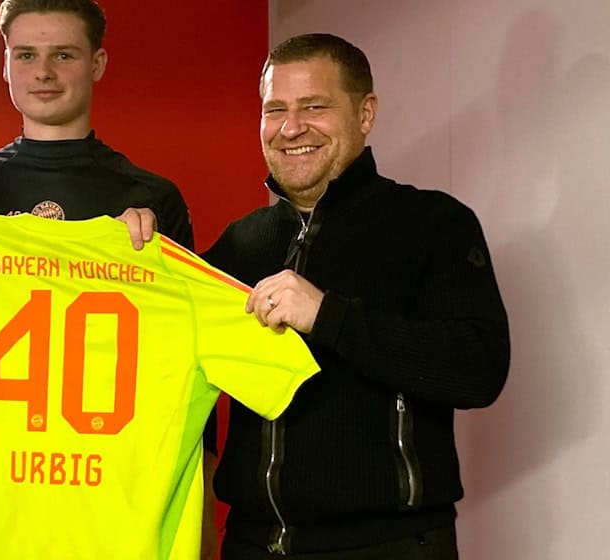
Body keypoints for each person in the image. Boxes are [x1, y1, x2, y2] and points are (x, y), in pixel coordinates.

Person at [0, 1, 192, 558]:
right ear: (6, 65)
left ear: (96, 63)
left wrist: (151, 267)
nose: (42, 72)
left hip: (103, 486)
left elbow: (186, 357)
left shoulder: (149, 200)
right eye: (26, 55)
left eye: (62, 55)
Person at [201, 33, 510, 559]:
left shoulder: (435, 224)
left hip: (389, 547)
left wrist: (330, 316)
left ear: (365, 114)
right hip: (252, 544)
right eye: (274, 109)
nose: (290, 128)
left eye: (314, 107)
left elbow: (479, 370)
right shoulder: (237, 244)